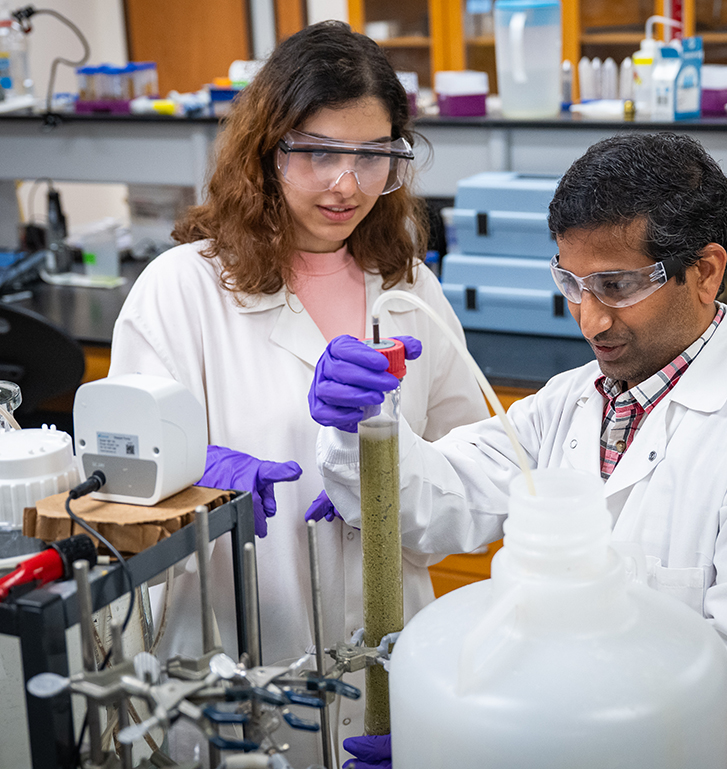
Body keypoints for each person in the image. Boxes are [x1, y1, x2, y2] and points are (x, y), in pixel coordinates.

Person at [312, 132, 727, 769]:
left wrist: (480, 742)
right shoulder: (571, 401)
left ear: (705, 272)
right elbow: (437, 500)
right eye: (572, 283)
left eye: (615, 286)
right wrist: (363, 425)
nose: (589, 320)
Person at [108, 21, 488, 766]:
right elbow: (120, 491)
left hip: (392, 663)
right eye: (318, 152)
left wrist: (393, 484)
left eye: (374, 155)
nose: (348, 183)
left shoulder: (409, 291)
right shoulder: (181, 289)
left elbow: (474, 478)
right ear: (266, 149)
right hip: (235, 656)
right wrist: (203, 479)